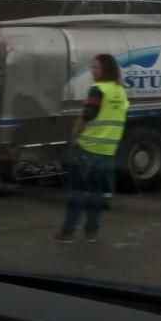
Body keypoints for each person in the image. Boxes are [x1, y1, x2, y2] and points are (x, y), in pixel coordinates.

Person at [55, 54, 129, 243]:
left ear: (106, 69)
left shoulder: (97, 90)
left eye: (96, 67)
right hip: (107, 152)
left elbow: (88, 114)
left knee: (77, 192)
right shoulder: (120, 91)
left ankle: (68, 232)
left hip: (87, 149)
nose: (92, 71)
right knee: (96, 194)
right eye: (92, 67)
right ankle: (91, 231)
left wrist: (74, 134)